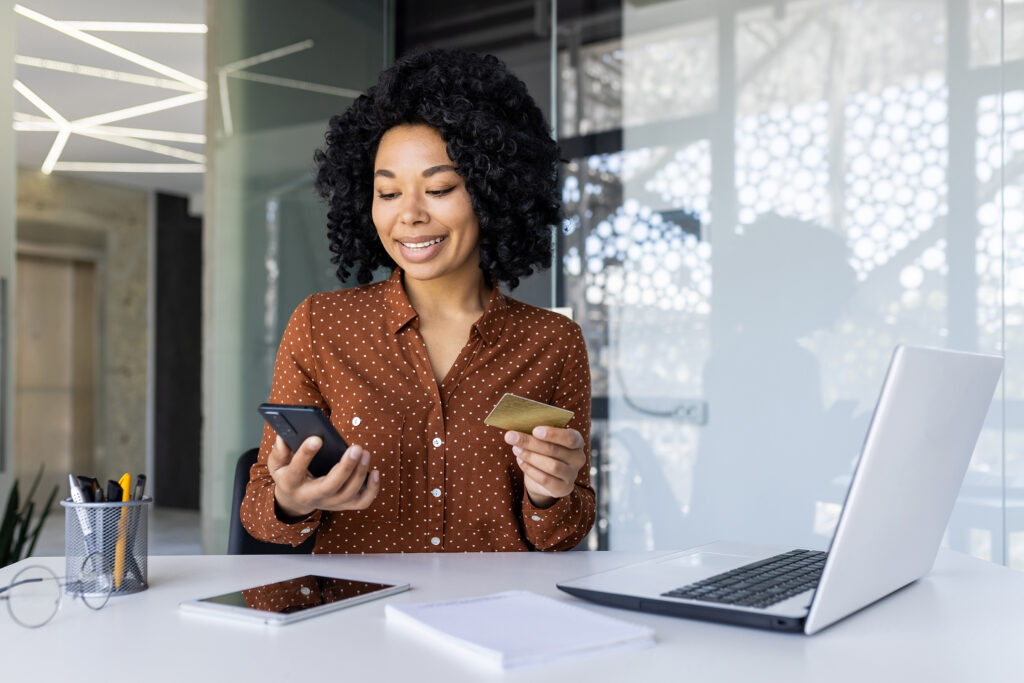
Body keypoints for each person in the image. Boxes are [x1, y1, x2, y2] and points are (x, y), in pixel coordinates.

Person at [240, 49, 595, 553]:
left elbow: (567, 531)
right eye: (387, 194)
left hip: (494, 619)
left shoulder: (551, 343)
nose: (408, 215)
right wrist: (291, 501)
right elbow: (259, 512)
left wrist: (549, 494)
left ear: (493, 192)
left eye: (439, 188)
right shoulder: (322, 325)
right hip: (355, 615)